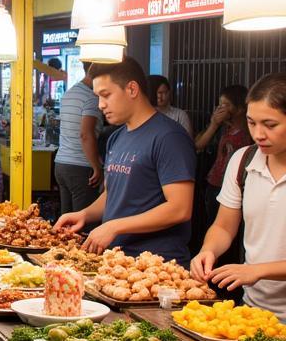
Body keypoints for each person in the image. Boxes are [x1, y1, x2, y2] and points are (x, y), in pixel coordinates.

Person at [55, 57, 196, 261]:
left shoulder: (169, 137)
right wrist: (84, 215)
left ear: (131, 89)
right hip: (117, 259)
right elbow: (114, 194)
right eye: (98, 97)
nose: (101, 105)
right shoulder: (116, 137)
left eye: (106, 95)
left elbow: (179, 209)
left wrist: (114, 226)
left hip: (157, 263)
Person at [191, 73, 286, 320]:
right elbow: (223, 226)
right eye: (252, 122)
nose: (258, 134)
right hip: (253, 310)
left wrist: (257, 271)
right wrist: (208, 251)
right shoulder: (242, 160)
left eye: (270, 124)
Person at [194, 84, 251, 224]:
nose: (221, 109)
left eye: (226, 105)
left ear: (240, 108)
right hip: (215, 185)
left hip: (237, 188)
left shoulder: (251, 131)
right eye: (220, 104)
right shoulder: (223, 127)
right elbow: (198, 145)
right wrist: (214, 124)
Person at [53, 64, 103, 215]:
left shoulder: (69, 93)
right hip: (80, 167)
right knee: (83, 223)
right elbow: (85, 134)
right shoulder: (91, 97)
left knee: (67, 220)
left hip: (61, 164)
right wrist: (96, 166)